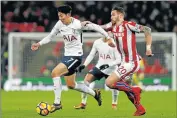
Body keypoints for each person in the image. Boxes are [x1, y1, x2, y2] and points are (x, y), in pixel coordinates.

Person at [31, 5, 115, 113]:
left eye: (61, 16)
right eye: (58, 16)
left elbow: (96, 27)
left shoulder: (77, 24)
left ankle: (57, 103)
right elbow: (51, 36)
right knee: (71, 85)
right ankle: (95, 94)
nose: (60, 18)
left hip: (76, 57)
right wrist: (39, 43)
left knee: (55, 73)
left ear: (68, 15)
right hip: (67, 56)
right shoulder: (59, 24)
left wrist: (107, 37)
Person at [101, 6, 153, 116]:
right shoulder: (112, 26)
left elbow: (147, 30)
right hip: (124, 63)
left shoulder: (129, 25)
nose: (111, 17)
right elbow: (100, 28)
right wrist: (84, 25)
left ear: (120, 15)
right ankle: (140, 108)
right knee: (126, 89)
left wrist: (148, 48)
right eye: (111, 14)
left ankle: (135, 90)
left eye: (113, 14)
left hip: (132, 62)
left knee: (109, 82)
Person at [74, 36, 121, 110]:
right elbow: (91, 55)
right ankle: (83, 103)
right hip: (100, 67)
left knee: (114, 86)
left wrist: (108, 65)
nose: (106, 33)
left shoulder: (114, 43)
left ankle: (114, 104)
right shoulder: (97, 42)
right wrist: (84, 65)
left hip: (112, 69)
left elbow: (119, 60)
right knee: (86, 80)